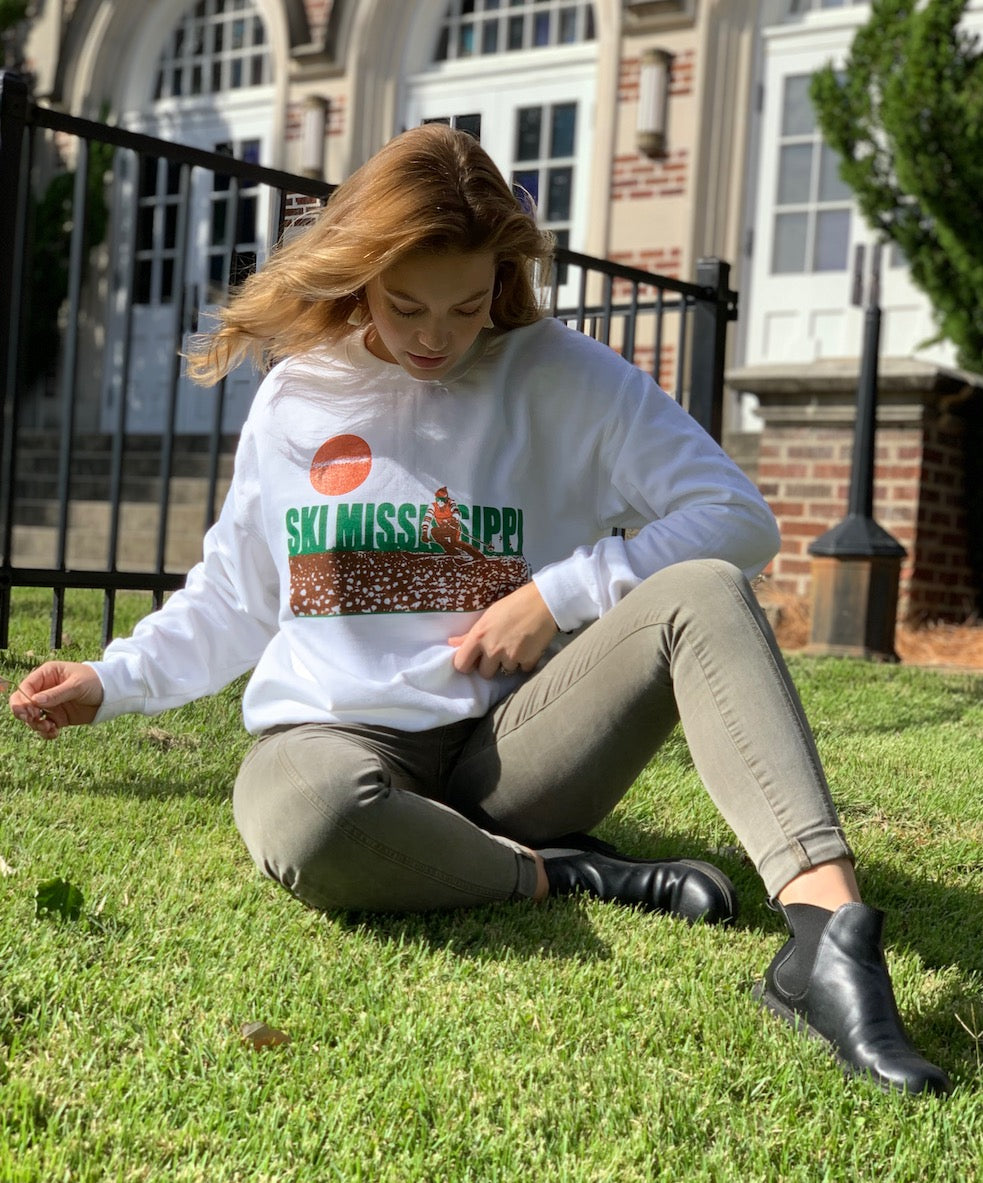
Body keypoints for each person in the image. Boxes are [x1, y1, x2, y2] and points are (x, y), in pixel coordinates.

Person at [9, 124, 949, 1096]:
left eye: (465, 306)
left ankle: (824, 944)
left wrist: (560, 593)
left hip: (512, 743)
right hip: (339, 740)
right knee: (305, 818)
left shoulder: (558, 372)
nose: (433, 337)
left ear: (499, 277)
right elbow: (236, 595)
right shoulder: (300, 395)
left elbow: (736, 518)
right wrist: (111, 679)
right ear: (359, 275)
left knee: (702, 591)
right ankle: (562, 874)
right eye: (406, 304)